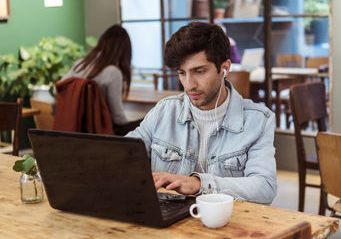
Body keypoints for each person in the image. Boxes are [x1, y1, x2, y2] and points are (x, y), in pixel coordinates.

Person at [126, 22, 276, 203]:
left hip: (228, 224)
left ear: (225, 68)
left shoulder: (259, 120)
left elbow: (264, 187)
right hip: (168, 224)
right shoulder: (164, 111)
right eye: (182, 73)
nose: (188, 84)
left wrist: (199, 184)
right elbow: (124, 154)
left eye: (199, 71)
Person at [59, 24, 139, 135]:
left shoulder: (80, 64)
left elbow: (58, 89)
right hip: (103, 134)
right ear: (124, 50)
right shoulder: (113, 72)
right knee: (145, 123)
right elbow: (117, 117)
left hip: (75, 130)